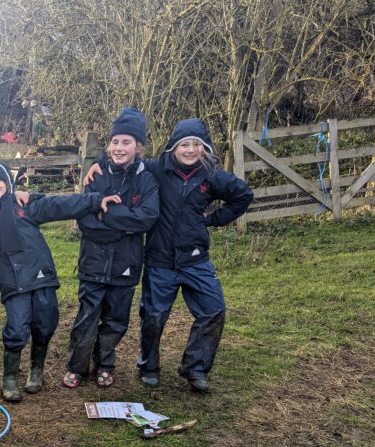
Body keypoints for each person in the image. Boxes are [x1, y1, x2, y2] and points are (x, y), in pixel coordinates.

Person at [88, 118, 253, 391]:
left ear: (205, 148)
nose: (190, 150)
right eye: (184, 144)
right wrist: (99, 162)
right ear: (173, 147)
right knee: (153, 317)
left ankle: (195, 368)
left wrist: (213, 219)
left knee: (214, 310)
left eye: (196, 145)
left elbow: (243, 195)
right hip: (160, 259)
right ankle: (148, 365)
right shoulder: (156, 169)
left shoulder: (211, 174)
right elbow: (125, 158)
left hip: (195, 259)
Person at [0, 160, 118, 401]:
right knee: (17, 327)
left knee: (44, 323)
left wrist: (94, 200)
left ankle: (36, 370)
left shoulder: (24, 205)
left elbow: (58, 205)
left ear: (8, 183)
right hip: (13, 281)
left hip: (41, 275)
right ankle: (9, 377)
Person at [64, 107, 159, 389]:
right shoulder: (96, 175)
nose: (120, 148)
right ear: (109, 145)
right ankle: (76, 366)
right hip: (93, 261)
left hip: (126, 264)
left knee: (117, 320)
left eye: (127, 142)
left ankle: (105, 363)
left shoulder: (147, 179)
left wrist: (108, 215)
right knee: (87, 317)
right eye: (115, 141)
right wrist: (124, 225)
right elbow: (85, 219)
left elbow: (148, 218)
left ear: (138, 146)